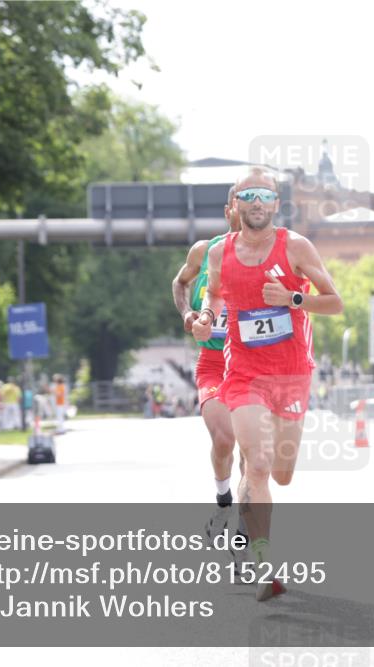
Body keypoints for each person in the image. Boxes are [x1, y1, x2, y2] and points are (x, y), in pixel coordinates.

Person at [193, 167, 343, 601]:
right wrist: (206, 317)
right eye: (248, 195)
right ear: (236, 205)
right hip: (243, 373)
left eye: (265, 195)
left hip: (292, 372)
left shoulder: (295, 247)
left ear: (276, 204)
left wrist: (294, 298)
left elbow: (335, 302)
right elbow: (214, 294)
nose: (256, 202)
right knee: (256, 465)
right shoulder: (220, 253)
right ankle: (264, 567)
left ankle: (249, 513)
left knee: (283, 473)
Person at [172, 185, 250, 568]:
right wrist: (188, 315)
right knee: (224, 439)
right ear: (228, 212)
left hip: (254, 366)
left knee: (252, 456)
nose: (250, 210)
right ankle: (223, 503)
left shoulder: (271, 257)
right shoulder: (204, 252)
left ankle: (244, 538)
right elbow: (180, 282)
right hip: (215, 363)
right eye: (242, 203)